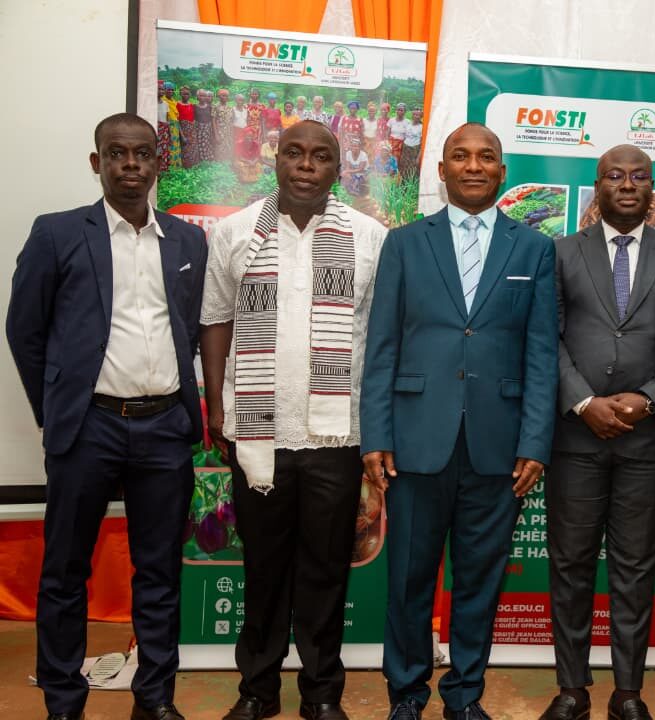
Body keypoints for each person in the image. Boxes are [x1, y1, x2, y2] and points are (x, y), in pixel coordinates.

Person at [6, 113, 207, 720]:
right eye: (117, 153)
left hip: (164, 428)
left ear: (157, 163)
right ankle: (64, 702)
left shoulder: (187, 241)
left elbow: (190, 330)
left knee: (159, 572)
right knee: (65, 570)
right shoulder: (58, 233)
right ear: (97, 163)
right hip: (88, 427)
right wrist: (58, 409)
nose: (131, 164)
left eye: (142, 153)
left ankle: (155, 699)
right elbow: (25, 330)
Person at [361, 122, 558, 720]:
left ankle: (465, 696)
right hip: (417, 440)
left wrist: (535, 442)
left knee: (479, 582)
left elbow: (541, 354)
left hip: (498, 448)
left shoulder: (534, 248)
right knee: (409, 580)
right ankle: (406, 694)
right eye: (461, 156)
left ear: (502, 171)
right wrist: (376, 435)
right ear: (442, 170)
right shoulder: (404, 243)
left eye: (486, 157)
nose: (474, 166)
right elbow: (382, 346)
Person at [201, 120, 387, 720]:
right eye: (295, 153)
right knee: (263, 567)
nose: (306, 165)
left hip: (336, 434)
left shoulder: (369, 238)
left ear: (338, 168)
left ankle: (322, 694)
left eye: (321, 156)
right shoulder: (234, 232)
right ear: (275, 159)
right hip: (258, 433)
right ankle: (257, 691)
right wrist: (217, 407)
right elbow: (215, 320)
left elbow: (382, 337)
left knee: (326, 569)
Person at [540, 145, 655, 720]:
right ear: (597, 186)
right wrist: (583, 401)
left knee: (635, 568)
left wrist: (650, 399)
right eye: (615, 175)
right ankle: (572, 689)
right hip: (575, 438)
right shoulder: (560, 253)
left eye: (639, 176)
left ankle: (628, 692)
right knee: (571, 564)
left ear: (653, 189)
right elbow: (546, 336)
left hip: (648, 441)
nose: (627, 184)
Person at [212, 88, 234, 162]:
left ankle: (226, 163)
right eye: (223, 95)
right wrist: (216, 135)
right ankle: (219, 163)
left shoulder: (230, 107)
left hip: (228, 132)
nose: (225, 97)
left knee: (228, 147)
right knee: (219, 147)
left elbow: (231, 120)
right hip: (220, 131)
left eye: (227, 96)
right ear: (219, 96)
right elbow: (213, 121)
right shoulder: (215, 106)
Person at [400, 107, 423, 179]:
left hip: (415, 150)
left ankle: (412, 183)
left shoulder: (422, 127)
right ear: (412, 115)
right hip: (406, 149)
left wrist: (418, 157)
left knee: (413, 168)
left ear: (421, 117)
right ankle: (403, 182)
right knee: (404, 167)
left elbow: (422, 144)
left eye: (418, 115)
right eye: (414, 114)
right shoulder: (408, 124)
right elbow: (404, 137)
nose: (416, 116)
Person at [177, 86, 196, 169]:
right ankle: (185, 167)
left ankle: (192, 166)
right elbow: (177, 121)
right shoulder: (177, 105)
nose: (186, 96)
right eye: (184, 94)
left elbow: (193, 118)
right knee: (184, 148)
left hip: (191, 130)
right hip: (183, 130)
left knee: (192, 148)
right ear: (180, 94)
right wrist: (182, 135)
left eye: (187, 94)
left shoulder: (191, 105)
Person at [193, 89, 214, 165]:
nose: (203, 97)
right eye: (201, 95)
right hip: (199, 129)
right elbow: (193, 119)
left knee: (207, 144)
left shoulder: (209, 107)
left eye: (204, 95)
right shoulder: (194, 107)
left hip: (207, 129)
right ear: (197, 97)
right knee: (199, 145)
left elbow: (211, 120)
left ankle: (207, 160)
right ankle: (200, 161)